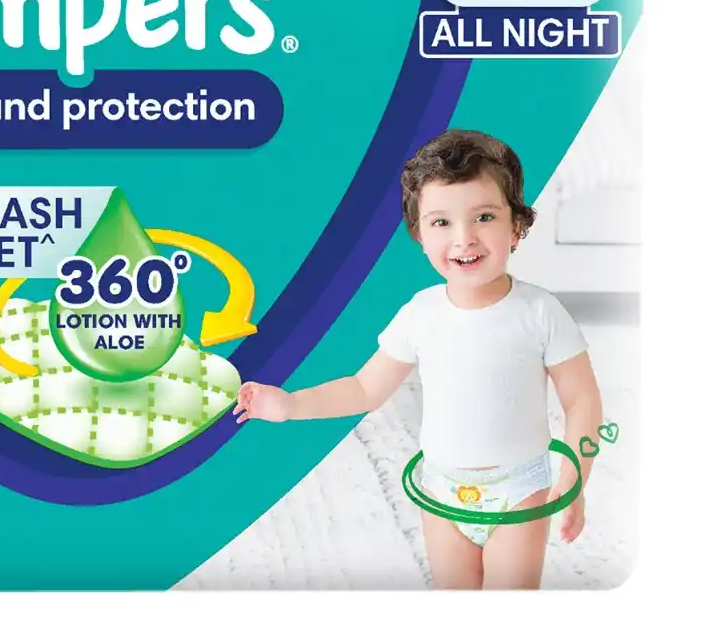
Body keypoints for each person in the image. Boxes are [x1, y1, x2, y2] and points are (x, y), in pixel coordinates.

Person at [234, 129, 603, 590]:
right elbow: (364, 388)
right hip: (441, 489)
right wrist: (289, 405)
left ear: (516, 227)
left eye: (484, 216)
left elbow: (582, 400)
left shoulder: (540, 312)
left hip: (518, 490)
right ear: (420, 236)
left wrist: (575, 475)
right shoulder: (420, 314)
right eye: (441, 222)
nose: (464, 238)